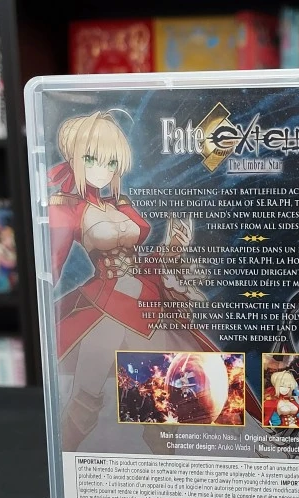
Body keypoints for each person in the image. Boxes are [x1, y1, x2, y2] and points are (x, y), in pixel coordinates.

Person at [48, 111, 204, 449]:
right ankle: (67, 462)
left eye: (111, 162)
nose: (103, 170)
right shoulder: (67, 207)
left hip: (143, 302)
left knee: (161, 398)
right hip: (106, 304)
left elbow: (141, 261)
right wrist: (44, 299)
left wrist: (172, 248)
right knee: (86, 396)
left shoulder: (119, 203)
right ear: (74, 158)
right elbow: (52, 264)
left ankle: (171, 471)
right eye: (92, 159)